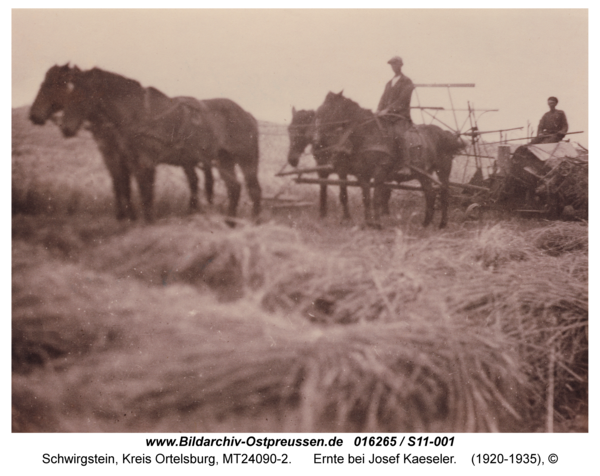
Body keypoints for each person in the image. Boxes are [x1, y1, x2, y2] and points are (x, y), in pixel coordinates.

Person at [376, 56, 415, 174]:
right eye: (392, 65)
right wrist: (378, 111)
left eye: (395, 64)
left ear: (400, 65)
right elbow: (383, 99)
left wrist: (387, 110)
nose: (393, 67)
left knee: (398, 134)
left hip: (400, 117)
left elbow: (402, 100)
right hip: (387, 117)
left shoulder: (407, 82)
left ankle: (406, 165)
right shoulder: (389, 83)